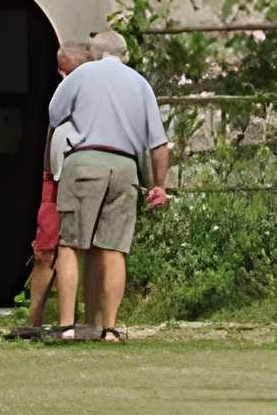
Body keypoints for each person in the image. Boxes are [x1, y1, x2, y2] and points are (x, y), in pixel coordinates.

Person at [44, 27, 170, 344]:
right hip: (125, 166)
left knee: (70, 245)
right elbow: (160, 144)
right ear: (124, 54)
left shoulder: (82, 74)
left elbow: (55, 114)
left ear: (94, 51)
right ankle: (110, 328)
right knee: (114, 249)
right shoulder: (140, 84)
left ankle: (67, 325)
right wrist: (159, 185)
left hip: (84, 161)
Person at [9, 42, 84, 339]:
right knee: (45, 249)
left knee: (72, 249)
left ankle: (73, 319)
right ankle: (36, 320)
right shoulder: (61, 94)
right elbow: (52, 131)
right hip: (53, 178)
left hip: (74, 176)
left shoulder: (88, 93)